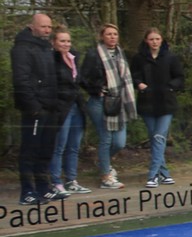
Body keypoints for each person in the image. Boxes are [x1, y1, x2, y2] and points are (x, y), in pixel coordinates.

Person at [10, 12, 65, 204]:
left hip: (50, 108)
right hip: (35, 110)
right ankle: (27, 192)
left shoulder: (46, 48)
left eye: (49, 27)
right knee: (30, 151)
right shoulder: (22, 49)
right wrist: (34, 107)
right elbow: (21, 80)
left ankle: (43, 188)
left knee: (45, 151)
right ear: (32, 26)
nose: (47, 30)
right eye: (43, 26)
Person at [80, 23, 137, 189]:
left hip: (118, 102)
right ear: (102, 37)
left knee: (119, 142)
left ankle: (102, 161)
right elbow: (82, 78)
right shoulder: (94, 54)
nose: (112, 37)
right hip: (100, 102)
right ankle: (106, 177)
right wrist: (96, 89)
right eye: (109, 34)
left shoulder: (120, 54)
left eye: (115, 34)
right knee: (106, 138)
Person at [131, 27, 184, 187]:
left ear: (161, 40)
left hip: (166, 103)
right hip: (147, 103)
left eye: (157, 39)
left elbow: (180, 77)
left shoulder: (170, 57)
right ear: (146, 41)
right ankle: (164, 173)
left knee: (159, 137)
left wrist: (170, 87)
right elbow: (133, 76)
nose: (154, 42)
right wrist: (139, 84)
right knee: (155, 138)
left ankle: (153, 174)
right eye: (151, 39)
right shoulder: (139, 58)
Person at [49, 26, 90, 196]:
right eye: (62, 41)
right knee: (59, 146)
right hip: (61, 108)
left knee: (74, 146)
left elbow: (79, 81)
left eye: (68, 41)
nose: (66, 44)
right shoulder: (51, 60)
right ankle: (56, 181)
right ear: (54, 42)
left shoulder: (74, 58)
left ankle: (71, 180)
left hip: (76, 107)